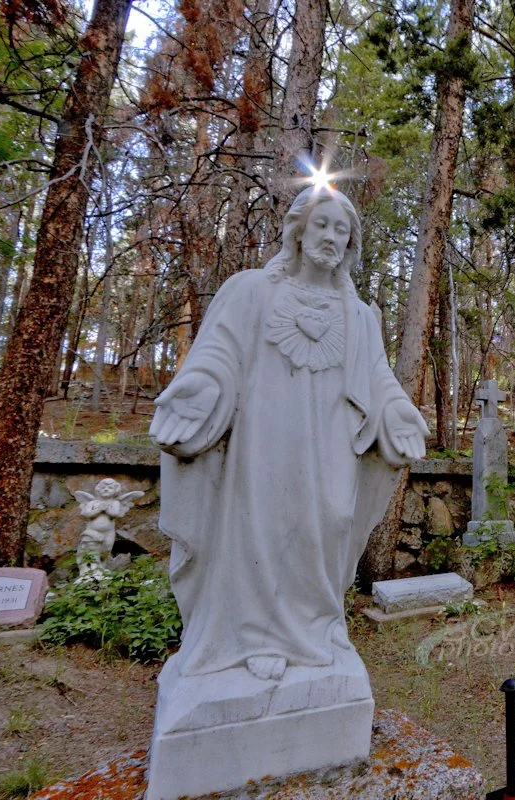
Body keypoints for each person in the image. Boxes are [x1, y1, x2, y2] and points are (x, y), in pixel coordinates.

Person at [149, 185, 426, 682]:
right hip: (265, 436)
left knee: (330, 520)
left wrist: (399, 413)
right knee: (263, 523)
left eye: (341, 231)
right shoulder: (252, 290)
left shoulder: (360, 317)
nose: (331, 237)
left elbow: (378, 379)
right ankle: (258, 635)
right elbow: (217, 354)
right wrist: (198, 392)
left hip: (333, 444)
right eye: (322, 225)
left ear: (350, 245)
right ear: (298, 231)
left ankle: (319, 628)